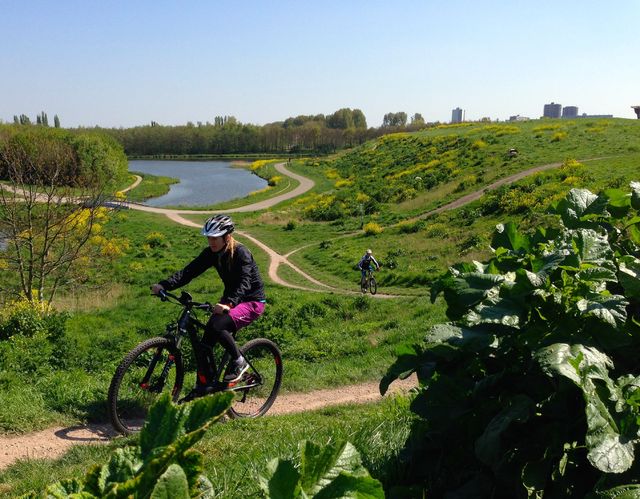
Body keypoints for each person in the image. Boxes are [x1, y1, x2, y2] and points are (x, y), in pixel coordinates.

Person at [150, 214, 266, 399]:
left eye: (214, 237)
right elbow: (189, 271)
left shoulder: (241, 253)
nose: (211, 241)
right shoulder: (211, 253)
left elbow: (244, 283)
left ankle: (239, 361)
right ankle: (205, 387)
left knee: (216, 325)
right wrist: (164, 285)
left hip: (251, 301)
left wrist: (228, 303)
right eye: (209, 237)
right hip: (230, 301)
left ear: (226, 237)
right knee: (205, 344)